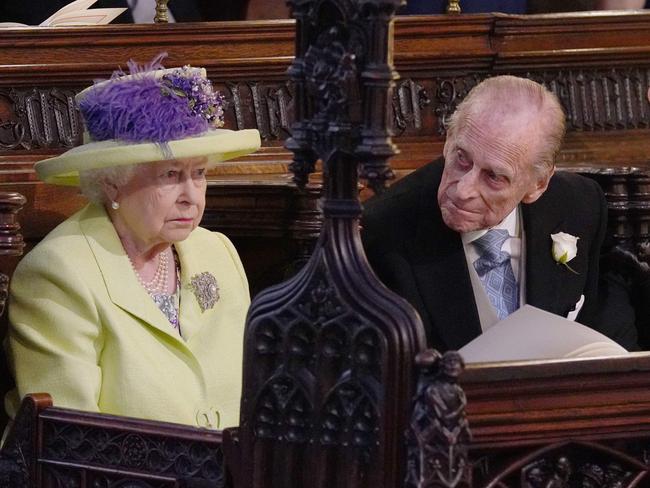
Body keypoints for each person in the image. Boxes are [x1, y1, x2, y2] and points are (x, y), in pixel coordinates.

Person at [4, 55, 261, 429]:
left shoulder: (216, 251)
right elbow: (68, 438)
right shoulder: (57, 273)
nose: (192, 195)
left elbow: (257, 388)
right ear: (111, 182)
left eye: (200, 173)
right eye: (171, 175)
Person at [362, 75, 638, 353]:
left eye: (493, 176)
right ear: (449, 140)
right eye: (461, 158)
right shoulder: (384, 230)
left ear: (537, 184)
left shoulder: (578, 204)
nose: (463, 190)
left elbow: (605, 330)